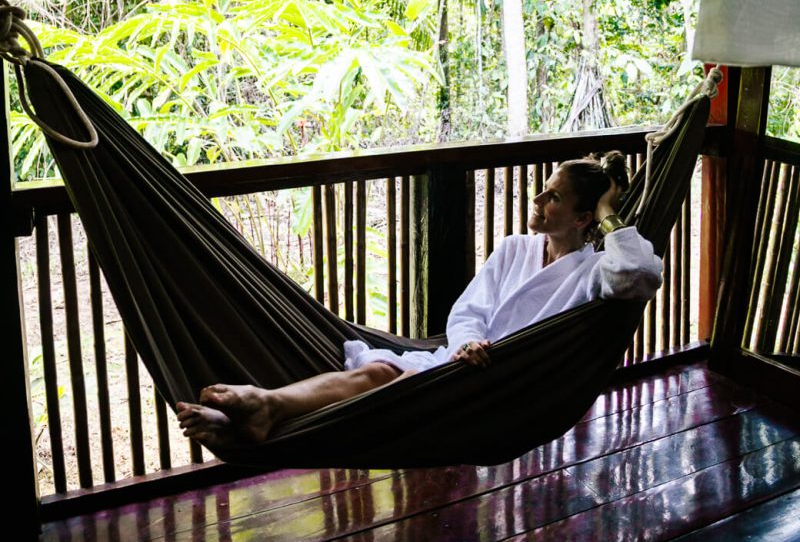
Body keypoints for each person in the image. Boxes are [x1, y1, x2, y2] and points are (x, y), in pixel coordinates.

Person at [176, 152, 662, 450]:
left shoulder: (591, 270)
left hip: (513, 389)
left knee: (380, 380)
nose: (537, 200)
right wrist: (468, 343)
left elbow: (637, 274)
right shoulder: (515, 248)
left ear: (582, 219)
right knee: (377, 375)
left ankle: (263, 411)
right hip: (468, 366)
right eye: (543, 191)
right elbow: (468, 310)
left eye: (554, 198)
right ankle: (264, 412)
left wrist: (608, 214)